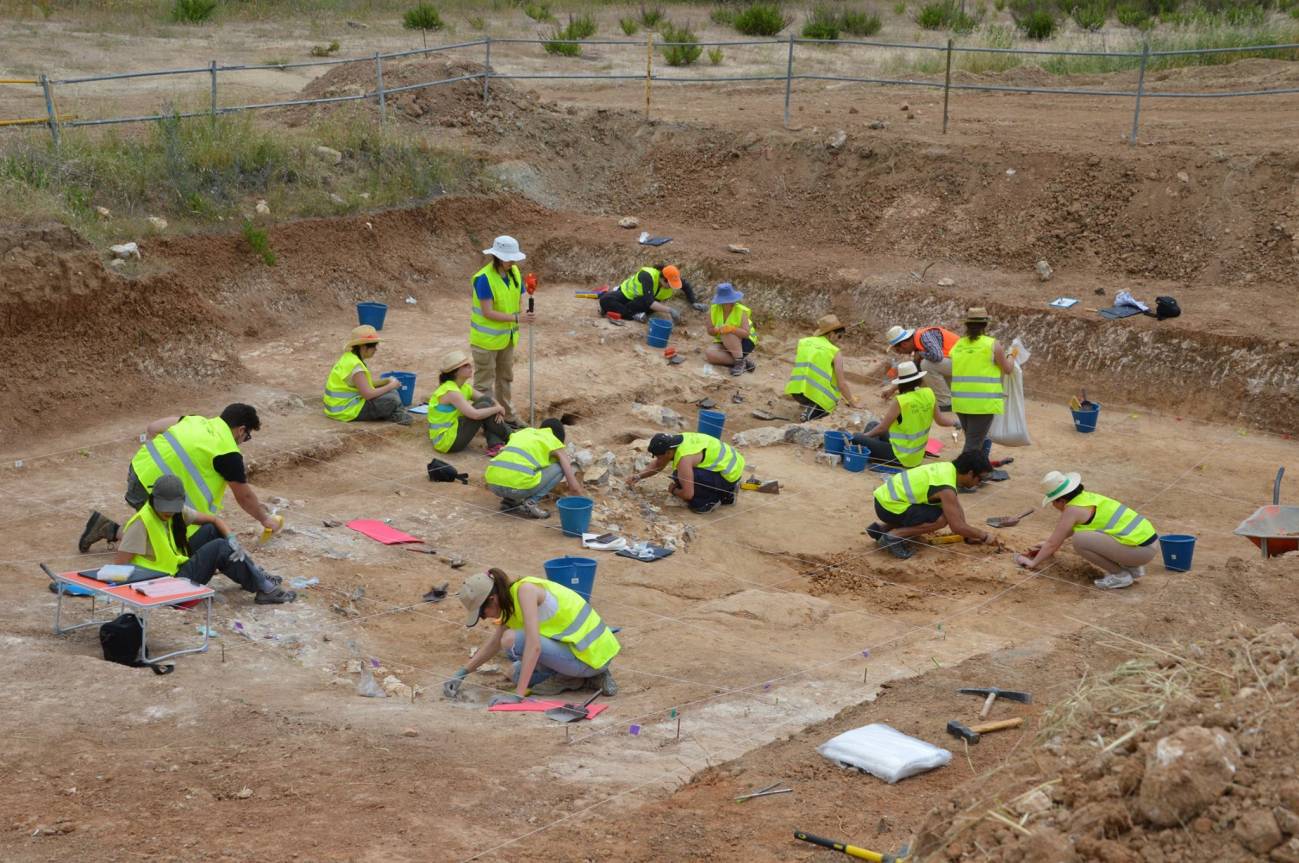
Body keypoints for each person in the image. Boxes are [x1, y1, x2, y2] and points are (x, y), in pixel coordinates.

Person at [78, 403, 280, 554]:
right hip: (153, 491)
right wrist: (265, 519)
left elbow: (153, 427)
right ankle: (109, 529)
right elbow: (243, 497)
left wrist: (156, 456)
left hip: (137, 472)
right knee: (170, 550)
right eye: (247, 437)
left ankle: (110, 528)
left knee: (162, 529)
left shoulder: (194, 420)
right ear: (241, 430)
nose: (244, 442)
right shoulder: (228, 452)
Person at [110, 475, 296, 604]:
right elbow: (119, 567)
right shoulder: (141, 523)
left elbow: (214, 520)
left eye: (172, 507)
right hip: (164, 584)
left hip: (176, 566)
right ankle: (264, 588)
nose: (167, 512)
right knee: (219, 548)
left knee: (212, 531)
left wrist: (233, 540)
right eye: (164, 507)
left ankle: (253, 574)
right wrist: (138, 596)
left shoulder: (175, 511)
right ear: (153, 500)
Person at [445, 568, 620, 702]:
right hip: (580, 653)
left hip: (593, 656)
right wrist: (463, 672)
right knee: (515, 673)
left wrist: (518, 696)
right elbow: (494, 643)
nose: (485, 618)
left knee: (511, 640)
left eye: (482, 614)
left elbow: (534, 646)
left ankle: (581, 676)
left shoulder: (525, 591)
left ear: (493, 600)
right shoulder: (509, 604)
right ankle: (576, 679)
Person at [1015, 470, 1159, 590]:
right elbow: (1065, 532)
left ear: (1062, 500)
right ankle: (1132, 567)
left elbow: (1054, 543)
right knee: (1087, 535)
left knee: (1080, 540)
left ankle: (1120, 575)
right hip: (1146, 545)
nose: (1053, 505)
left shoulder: (1072, 510)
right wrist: (1046, 543)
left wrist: (1033, 563)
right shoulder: (1087, 498)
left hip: (1140, 552)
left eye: (1053, 501)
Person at [868, 451, 995, 559]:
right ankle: (893, 536)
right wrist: (984, 536)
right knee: (941, 519)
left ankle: (882, 529)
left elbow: (955, 505)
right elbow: (956, 526)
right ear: (970, 473)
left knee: (936, 512)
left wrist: (968, 535)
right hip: (888, 507)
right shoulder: (946, 488)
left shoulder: (948, 468)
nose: (979, 483)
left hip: (885, 500)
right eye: (980, 479)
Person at [471, 236, 531, 428]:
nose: (513, 261)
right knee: (484, 383)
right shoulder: (484, 279)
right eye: (509, 258)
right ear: (497, 257)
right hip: (485, 341)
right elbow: (488, 312)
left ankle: (508, 417)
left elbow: (518, 297)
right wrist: (517, 319)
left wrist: (527, 308)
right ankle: (486, 422)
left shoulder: (514, 272)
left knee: (505, 378)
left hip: (507, 338)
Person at [852, 361, 956, 466]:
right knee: (873, 424)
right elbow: (941, 421)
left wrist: (864, 436)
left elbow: (882, 428)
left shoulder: (902, 400)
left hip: (902, 457)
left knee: (857, 438)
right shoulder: (928, 393)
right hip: (916, 455)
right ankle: (871, 451)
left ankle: (868, 454)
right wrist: (955, 422)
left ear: (900, 383)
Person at [484, 419, 583, 519]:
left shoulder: (523, 433)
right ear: (560, 436)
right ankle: (531, 502)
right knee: (560, 467)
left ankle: (510, 501)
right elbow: (573, 486)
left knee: (522, 464)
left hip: (493, 485)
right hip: (517, 489)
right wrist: (581, 502)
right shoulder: (553, 441)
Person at [950, 306, 1015, 457]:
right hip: (982, 403)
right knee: (973, 443)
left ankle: (979, 467)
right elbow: (1008, 369)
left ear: (967, 324)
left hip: (960, 401)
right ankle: (964, 474)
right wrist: (1011, 355)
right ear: (985, 324)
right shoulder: (992, 344)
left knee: (972, 438)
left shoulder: (959, 344)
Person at [627, 432, 746, 514]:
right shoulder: (678, 441)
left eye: (659, 456)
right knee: (681, 475)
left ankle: (708, 502)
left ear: (668, 453)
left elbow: (687, 494)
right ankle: (728, 493)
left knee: (680, 478)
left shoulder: (684, 459)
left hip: (729, 473)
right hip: (733, 466)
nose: (657, 459)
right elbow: (658, 464)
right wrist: (638, 476)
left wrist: (673, 490)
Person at [428, 350, 510, 456]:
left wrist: (497, 405)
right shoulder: (450, 391)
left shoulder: (463, 387)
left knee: (486, 402)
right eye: (466, 365)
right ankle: (511, 437)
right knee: (484, 406)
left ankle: (496, 443)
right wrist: (497, 409)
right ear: (455, 371)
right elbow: (475, 415)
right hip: (447, 442)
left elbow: (486, 399)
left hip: (454, 432)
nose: (470, 367)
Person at [323, 324, 410, 425]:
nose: (376, 350)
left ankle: (397, 412)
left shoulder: (349, 358)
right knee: (392, 399)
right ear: (364, 347)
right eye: (373, 346)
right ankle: (397, 414)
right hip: (346, 411)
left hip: (338, 406)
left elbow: (363, 384)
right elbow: (368, 394)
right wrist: (391, 385)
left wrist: (385, 381)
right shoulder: (356, 366)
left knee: (392, 392)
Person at [784, 314, 861, 422]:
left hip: (796, 390)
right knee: (831, 403)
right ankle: (811, 413)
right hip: (815, 395)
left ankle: (810, 406)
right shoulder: (834, 351)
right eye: (839, 336)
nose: (840, 340)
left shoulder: (804, 342)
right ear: (831, 334)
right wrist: (852, 402)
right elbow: (842, 384)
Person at [880, 323, 960, 411]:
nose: (900, 353)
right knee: (922, 371)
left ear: (904, 344)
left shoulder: (924, 336)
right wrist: (892, 390)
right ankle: (952, 398)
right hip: (957, 363)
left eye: (898, 350)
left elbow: (937, 356)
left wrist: (920, 355)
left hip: (965, 363)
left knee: (926, 365)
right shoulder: (918, 345)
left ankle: (945, 403)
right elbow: (913, 373)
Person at [597, 264, 704, 323]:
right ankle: (632, 315)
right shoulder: (647, 276)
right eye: (670, 284)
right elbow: (649, 302)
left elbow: (686, 286)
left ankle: (620, 312)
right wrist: (670, 310)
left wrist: (693, 302)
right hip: (626, 294)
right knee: (605, 300)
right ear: (662, 279)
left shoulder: (673, 278)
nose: (672, 287)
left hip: (642, 303)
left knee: (644, 302)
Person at [703, 282, 758, 377]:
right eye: (729, 300)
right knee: (710, 354)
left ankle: (739, 361)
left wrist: (731, 329)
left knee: (727, 333)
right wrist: (717, 330)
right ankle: (741, 362)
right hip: (724, 342)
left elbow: (746, 333)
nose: (732, 302)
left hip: (746, 342)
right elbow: (710, 331)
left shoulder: (741, 310)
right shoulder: (714, 310)